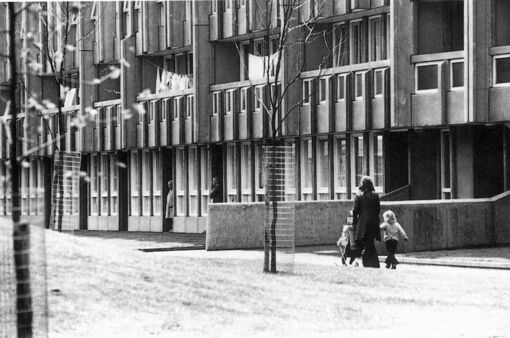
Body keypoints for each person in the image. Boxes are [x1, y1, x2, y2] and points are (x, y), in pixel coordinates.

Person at [352, 176, 381, 268]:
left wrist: (354, 222)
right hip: (373, 222)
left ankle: (367, 262)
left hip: (363, 223)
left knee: (363, 243)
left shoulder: (358, 195)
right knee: (370, 242)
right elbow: (378, 210)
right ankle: (373, 262)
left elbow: (355, 211)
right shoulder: (375, 195)